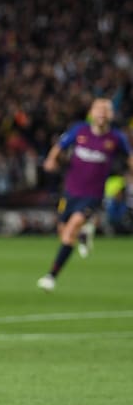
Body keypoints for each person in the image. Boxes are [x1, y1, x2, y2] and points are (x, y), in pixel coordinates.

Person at [37, 97, 132, 291]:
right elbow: (59, 146)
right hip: (71, 191)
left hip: (93, 195)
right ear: (91, 112)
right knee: (63, 232)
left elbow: (130, 157)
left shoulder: (116, 138)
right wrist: (50, 160)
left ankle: (51, 276)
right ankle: (84, 234)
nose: (102, 113)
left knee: (71, 229)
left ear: (111, 115)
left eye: (106, 110)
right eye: (98, 109)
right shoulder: (79, 130)